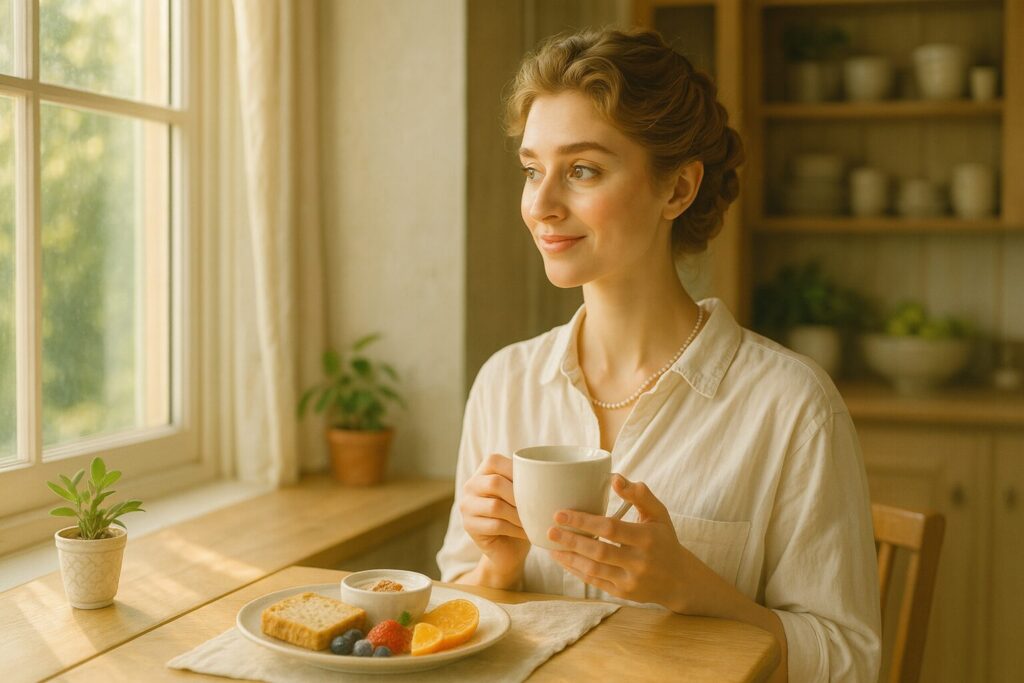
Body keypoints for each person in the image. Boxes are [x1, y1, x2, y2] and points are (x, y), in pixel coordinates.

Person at [436, 27, 881, 682]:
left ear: (677, 190)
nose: (542, 204)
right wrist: (495, 568)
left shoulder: (790, 405)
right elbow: (450, 621)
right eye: (533, 170)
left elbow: (851, 661)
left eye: (582, 170)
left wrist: (696, 589)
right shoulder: (505, 382)